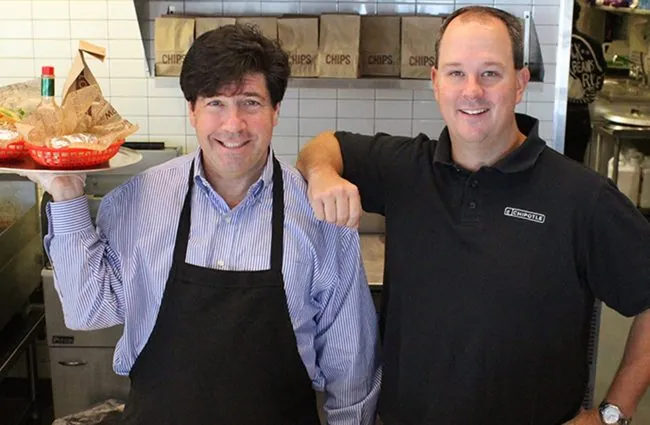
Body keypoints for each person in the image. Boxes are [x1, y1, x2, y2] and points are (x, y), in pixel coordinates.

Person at [297, 6, 650, 425]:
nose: (472, 91)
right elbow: (323, 145)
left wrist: (612, 412)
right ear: (435, 82)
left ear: (520, 83)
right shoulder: (406, 170)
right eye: (455, 73)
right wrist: (320, 173)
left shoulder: (580, 196)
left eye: (490, 73)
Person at [26, 25, 381, 424]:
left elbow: (351, 367)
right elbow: (87, 311)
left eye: (250, 102)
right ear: (192, 110)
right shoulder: (138, 200)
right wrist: (67, 193)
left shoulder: (320, 215)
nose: (233, 125)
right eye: (215, 103)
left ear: (275, 111)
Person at [566, 0, 606, 163]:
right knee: (575, 166)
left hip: (561, 112)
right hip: (582, 114)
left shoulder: (557, 44)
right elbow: (599, 79)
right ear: (577, 17)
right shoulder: (593, 45)